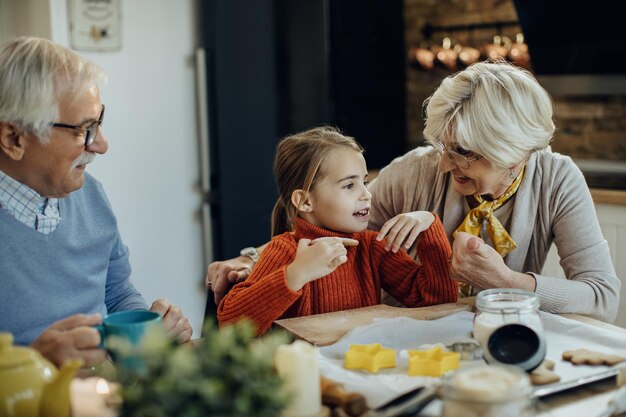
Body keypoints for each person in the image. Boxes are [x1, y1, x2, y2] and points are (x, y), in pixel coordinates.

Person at [207, 60, 620, 323]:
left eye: (462, 152)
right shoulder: (415, 170)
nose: (443, 163)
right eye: (442, 145)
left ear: (513, 153)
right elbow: (324, 232)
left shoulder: (557, 180)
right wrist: (248, 260)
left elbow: (602, 297)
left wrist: (509, 281)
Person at [0, 37, 192, 368]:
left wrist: (149, 326)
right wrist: (34, 363)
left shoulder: (90, 194)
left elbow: (116, 294)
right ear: (13, 138)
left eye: (98, 123)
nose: (101, 145)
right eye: (84, 129)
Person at [217, 126, 457, 334]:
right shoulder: (286, 252)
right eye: (349, 185)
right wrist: (295, 275)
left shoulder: (372, 249)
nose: (366, 194)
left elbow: (438, 301)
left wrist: (430, 226)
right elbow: (230, 324)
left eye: (364, 182)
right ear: (305, 201)